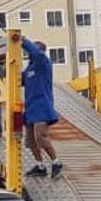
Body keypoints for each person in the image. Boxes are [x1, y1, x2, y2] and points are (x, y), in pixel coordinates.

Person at [20, 38, 62, 178]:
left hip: (42, 107)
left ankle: (56, 162)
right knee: (31, 141)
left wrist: (23, 41)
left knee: (40, 136)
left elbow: (37, 54)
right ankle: (40, 166)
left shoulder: (44, 63)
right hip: (30, 108)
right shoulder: (30, 69)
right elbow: (20, 79)